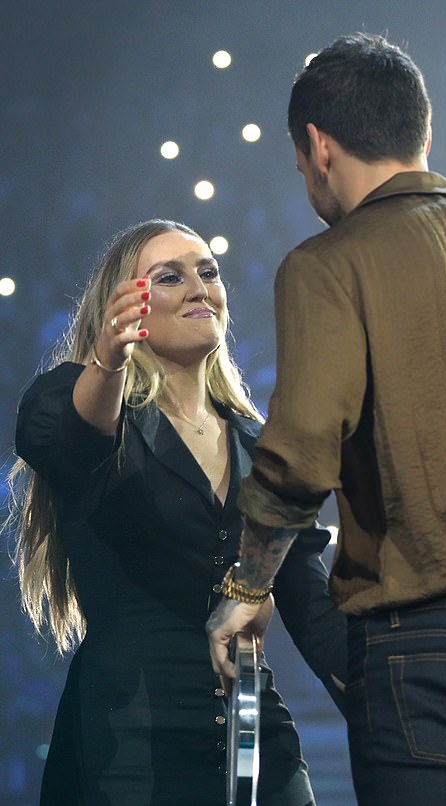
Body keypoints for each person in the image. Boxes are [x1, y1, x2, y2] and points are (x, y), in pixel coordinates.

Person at [207, 32, 446, 806]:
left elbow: (303, 450)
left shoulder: (329, 262)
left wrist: (248, 581)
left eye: (300, 161)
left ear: (318, 146)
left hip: (423, 637)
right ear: (423, 135)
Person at [10, 218, 347, 806]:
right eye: (170, 277)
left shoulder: (262, 447)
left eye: (208, 272)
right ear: (124, 303)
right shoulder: (78, 398)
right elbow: (73, 442)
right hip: (130, 739)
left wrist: (394, 709)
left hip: (254, 738)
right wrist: (109, 363)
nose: (199, 287)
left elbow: (314, 609)